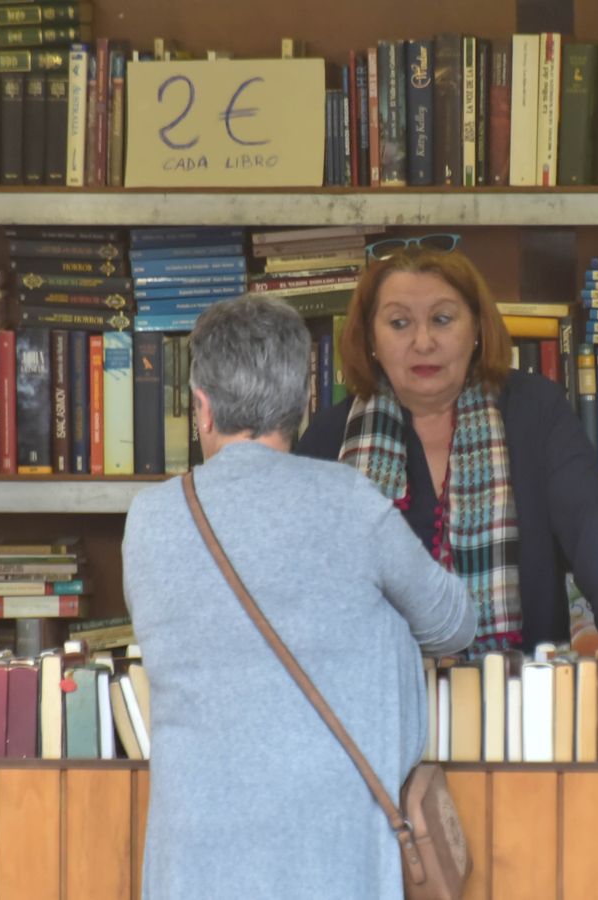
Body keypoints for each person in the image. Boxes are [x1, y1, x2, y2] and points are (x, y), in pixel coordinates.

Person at [122, 294, 475, 900]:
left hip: (193, 866)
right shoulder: (351, 502)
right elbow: (453, 625)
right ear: (304, 404)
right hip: (334, 860)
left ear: (201, 409)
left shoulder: (150, 520)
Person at [298, 245, 598, 668]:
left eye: (442, 319)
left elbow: (591, 532)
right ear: (371, 339)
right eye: (399, 323)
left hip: (519, 698)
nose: (423, 342)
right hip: (368, 699)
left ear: (476, 329)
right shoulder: (330, 439)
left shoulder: (534, 411)